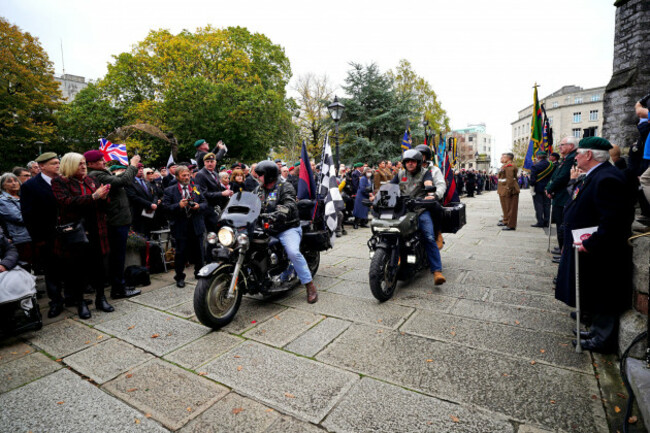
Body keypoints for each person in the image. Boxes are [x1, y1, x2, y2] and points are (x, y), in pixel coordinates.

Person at [555, 137, 634, 353]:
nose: (576, 157)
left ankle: (603, 339)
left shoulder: (607, 178)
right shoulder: (597, 175)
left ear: (589, 155)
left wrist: (592, 242)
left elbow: (613, 220)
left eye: (578, 153)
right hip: (593, 246)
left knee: (604, 291)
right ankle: (597, 330)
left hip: (603, 250)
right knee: (597, 291)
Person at [52, 152, 113, 319]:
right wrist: (93, 197)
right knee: (78, 270)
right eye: (79, 163)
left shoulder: (91, 180)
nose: (84, 166)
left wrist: (103, 197)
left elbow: (103, 204)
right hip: (77, 232)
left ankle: (101, 298)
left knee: (100, 268)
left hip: (97, 231)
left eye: (84, 163)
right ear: (69, 164)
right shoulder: (60, 182)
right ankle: (81, 303)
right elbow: (66, 202)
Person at [378, 149, 446, 285]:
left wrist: (431, 193)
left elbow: (428, 184)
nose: (410, 164)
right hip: (402, 209)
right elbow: (391, 185)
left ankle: (437, 271)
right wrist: (378, 196)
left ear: (419, 163)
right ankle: (387, 256)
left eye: (413, 161)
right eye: (407, 161)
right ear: (404, 163)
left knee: (429, 236)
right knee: (386, 228)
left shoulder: (425, 173)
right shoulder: (401, 173)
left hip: (420, 209)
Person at [254, 161, 318, 303]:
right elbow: (250, 203)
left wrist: (276, 214)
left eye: (260, 175)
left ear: (269, 175)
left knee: (293, 252)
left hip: (287, 228)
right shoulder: (258, 189)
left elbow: (289, 205)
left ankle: (309, 285)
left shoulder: (285, 187)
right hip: (266, 228)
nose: (258, 177)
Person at [86, 150, 142, 299]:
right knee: (117, 257)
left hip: (118, 220)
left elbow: (121, 179)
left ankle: (119, 285)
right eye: (100, 160)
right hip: (115, 221)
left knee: (118, 256)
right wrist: (133, 165)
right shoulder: (96, 175)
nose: (104, 162)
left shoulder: (101, 173)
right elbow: (122, 181)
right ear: (90, 164)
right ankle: (118, 289)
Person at [20, 152, 66, 317]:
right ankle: (56, 301)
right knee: (51, 270)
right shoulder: (30, 186)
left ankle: (72, 297)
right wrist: (38, 239)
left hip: (67, 233)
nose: (58, 165)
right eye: (53, 163)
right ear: (42, 166)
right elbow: (28, 215)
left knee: (69, 267)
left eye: (58, 162)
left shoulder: (63, 181)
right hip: (47, 236)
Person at [163, 165, 208, 288]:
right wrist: (178, 206)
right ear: (177, 177)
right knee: (181, 253)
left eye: (188, 175)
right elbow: (165, 208)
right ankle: (179, 277)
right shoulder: (170, 190)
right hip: (180, 226)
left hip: (196, 225)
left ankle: (199, 272)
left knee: (199, 251)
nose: (187, 177)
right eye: (184, 175)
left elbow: (205, 203)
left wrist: (199, 206)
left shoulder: (195, 187)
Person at [545, 137, 578, 259]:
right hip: (558, 195)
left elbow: (563, 177)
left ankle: (564, 252)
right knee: (560, 225)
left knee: (562, 226)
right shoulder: (566, 159)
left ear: (570, 146)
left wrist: (550, 189)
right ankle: (562, 248)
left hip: (563, 196)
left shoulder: (571, 159)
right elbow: (555, 176)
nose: (560, 147)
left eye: (562, 145)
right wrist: (549, 187)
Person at [0, 173, 32, 267]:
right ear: (3, 185)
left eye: (15, 181)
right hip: (20, 238)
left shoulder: (23, 196)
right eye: (9, 182)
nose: (14, 183)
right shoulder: (3, 200)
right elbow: (19, 217)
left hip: (31, 235)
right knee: (24, 267)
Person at [126, 164, 159, 238]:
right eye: (138, 169)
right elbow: (134, 197)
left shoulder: (145, 181)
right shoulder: (130, 182)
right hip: (138, 213)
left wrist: (154, 203)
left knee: (148, 234)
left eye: (142, 168)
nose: (141, 170)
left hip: (149, 213)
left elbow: (154, 194)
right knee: (141, 236)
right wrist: (149, 204)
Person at [529, 151, 554, 227]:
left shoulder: (535, 166)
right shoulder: (551, 165)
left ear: (538, 157)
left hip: (538, 188)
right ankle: (547, 222)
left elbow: (533, 179)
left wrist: (531, 186)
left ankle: (540, 222)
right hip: (548, 188)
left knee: (538, 205)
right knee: (547, 205)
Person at [497, 152, 520, 231]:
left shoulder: (509, 166)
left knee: (511, 209)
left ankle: (511, 225)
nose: (501, 159)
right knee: (506, 207)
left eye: (503, 157)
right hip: (503, 189)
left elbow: (510, 180)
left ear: (508, 158)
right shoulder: (505, 165)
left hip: (509, 189)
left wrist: (508, 189)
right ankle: (506, 220)